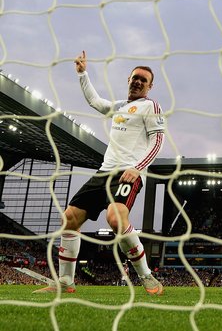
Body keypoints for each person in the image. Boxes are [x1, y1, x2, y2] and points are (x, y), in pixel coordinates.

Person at [34, 51, 166, 295]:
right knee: (70, 218)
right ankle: (65, 281)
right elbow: (95, 101)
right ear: (128, 79)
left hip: (126, 173)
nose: (138, 81)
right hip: (103, 172)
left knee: (115, 219)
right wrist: (83, 74)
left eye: (143, 80)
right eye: (135, 77)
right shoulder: (119, 107)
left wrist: (137, 169)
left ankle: (146, 276)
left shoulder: (150, 106)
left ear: (150, 86)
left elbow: (157, 142)